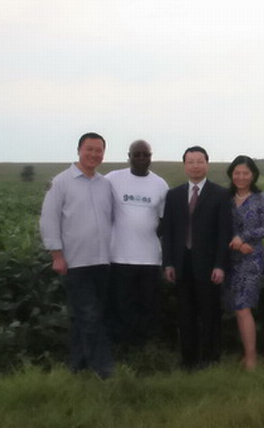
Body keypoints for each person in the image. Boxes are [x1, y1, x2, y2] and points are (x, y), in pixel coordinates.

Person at [39, 132, 114, 378]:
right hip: (76, 262)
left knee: (91, 316)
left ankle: (77, 367)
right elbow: (48, 220)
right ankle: (104, 370)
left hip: (102, 261)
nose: (94, 154)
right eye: (89, 149)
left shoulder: (105, 185)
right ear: (79, 150)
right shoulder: (61, 182)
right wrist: (57, 256)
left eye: (98, 150)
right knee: (90, 315)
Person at [159, 146, 232, 370]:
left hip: (209, 265)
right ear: (184, 165)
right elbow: (168, 232)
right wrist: (168, 263)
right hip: (182, 263)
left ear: (207, 164)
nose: (195, 166)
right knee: (185, 313)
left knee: (210, 313)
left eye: (200, 161)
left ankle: (210, 358)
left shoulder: (220, 194)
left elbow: (224, 233)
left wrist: (220, 265)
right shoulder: (173, 195)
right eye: (190, 162)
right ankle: (188, 359)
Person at [105, 140, 169, 348]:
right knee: (121, 307)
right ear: (129, 156)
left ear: (151, 157)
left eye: (145, 154)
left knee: (148, 306)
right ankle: (123, 349)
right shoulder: (113, 179)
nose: (141, 158)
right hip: (119, 257)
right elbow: (91, 190)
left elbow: (164, 220)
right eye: (137, 154)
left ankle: (145, 350)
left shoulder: (160, 184)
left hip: (150, 259)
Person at [225, 155, 264, 370]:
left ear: (253, 175)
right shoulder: (225, 198)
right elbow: (219, 226)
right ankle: (245, 353)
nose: (241, 177)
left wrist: (243, 238)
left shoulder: (262, 199)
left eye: (245, 173)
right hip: (229, 257)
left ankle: (252, 357)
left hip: (251, 258)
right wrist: (235, 243)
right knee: (236, 306)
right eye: (237, 173)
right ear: (231, 174)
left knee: (243, 306)